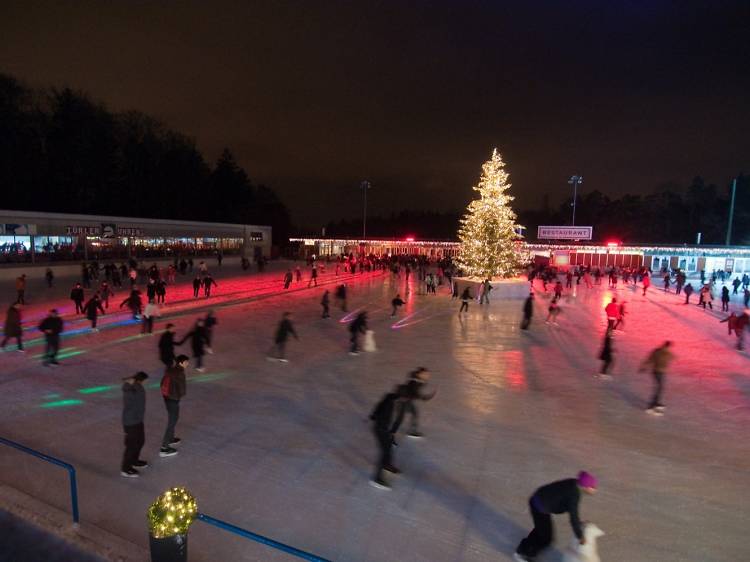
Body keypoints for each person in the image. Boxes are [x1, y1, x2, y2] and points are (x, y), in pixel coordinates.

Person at [514, 472, 598, 561]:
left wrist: (579, 523)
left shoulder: (573, 483)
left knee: (541, 530)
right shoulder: (574, 494)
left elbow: (572, 512)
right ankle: (523, 553)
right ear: (585, 486)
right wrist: (580, 536)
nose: (595, 489)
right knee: (546, 538)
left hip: (538, 500)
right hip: (540, 506)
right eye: (593, 487)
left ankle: (524, 547)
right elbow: (573, 517)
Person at [369, 385, 409, 490]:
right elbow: (380, 406)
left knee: (389, 450)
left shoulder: (400, 404)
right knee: (385, 452)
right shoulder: (390, 400)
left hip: (388, 430)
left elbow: (398, 420)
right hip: (381, 429)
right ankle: (377, 478)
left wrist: (393, 432)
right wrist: (374, 415)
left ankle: (388, 466)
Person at [121, 371, 149, 478]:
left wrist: (130, 382)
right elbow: (129, 391)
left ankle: (134, 461)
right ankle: (125, 469)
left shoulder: (135, 388)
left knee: (140, 441)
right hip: (131, 422)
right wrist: (131, 383)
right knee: (131, 445)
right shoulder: (134, 390)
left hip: (137, 420)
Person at [159, 355, 188, 457]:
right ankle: (164, 448)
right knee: (172, 421)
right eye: (186, 362)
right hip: (173, 399)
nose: (187, 364)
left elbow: (162, 383)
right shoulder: (180, 373)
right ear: (181, 363)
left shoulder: (170, 370)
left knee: (173, 418)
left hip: (167, 398)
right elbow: (182, 390)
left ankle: (171, 438)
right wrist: (179, 395)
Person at [394, 367, 436, 437]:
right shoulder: (415, 382)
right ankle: (390, 432)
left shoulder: (417, 380)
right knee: (400, 419)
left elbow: (416, 391)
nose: (427, 376)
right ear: (421, 374)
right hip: (403, 401)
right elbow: (415, 393)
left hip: (406, 400)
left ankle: (412, 430)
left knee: (414, 413)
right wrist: (427, 397)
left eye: (427, 374)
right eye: (425, 374)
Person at [640, 341, 675, 415]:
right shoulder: (663, 353)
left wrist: (644, 366)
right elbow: (651, 359)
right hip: (658, 372)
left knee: (660, 388)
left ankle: (655, 403)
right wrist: (644, 366)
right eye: (669, 347)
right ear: (667, 346)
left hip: (660, 372)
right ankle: (651, 407)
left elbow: (650, 359)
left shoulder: (658, 351)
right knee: (658, 389)